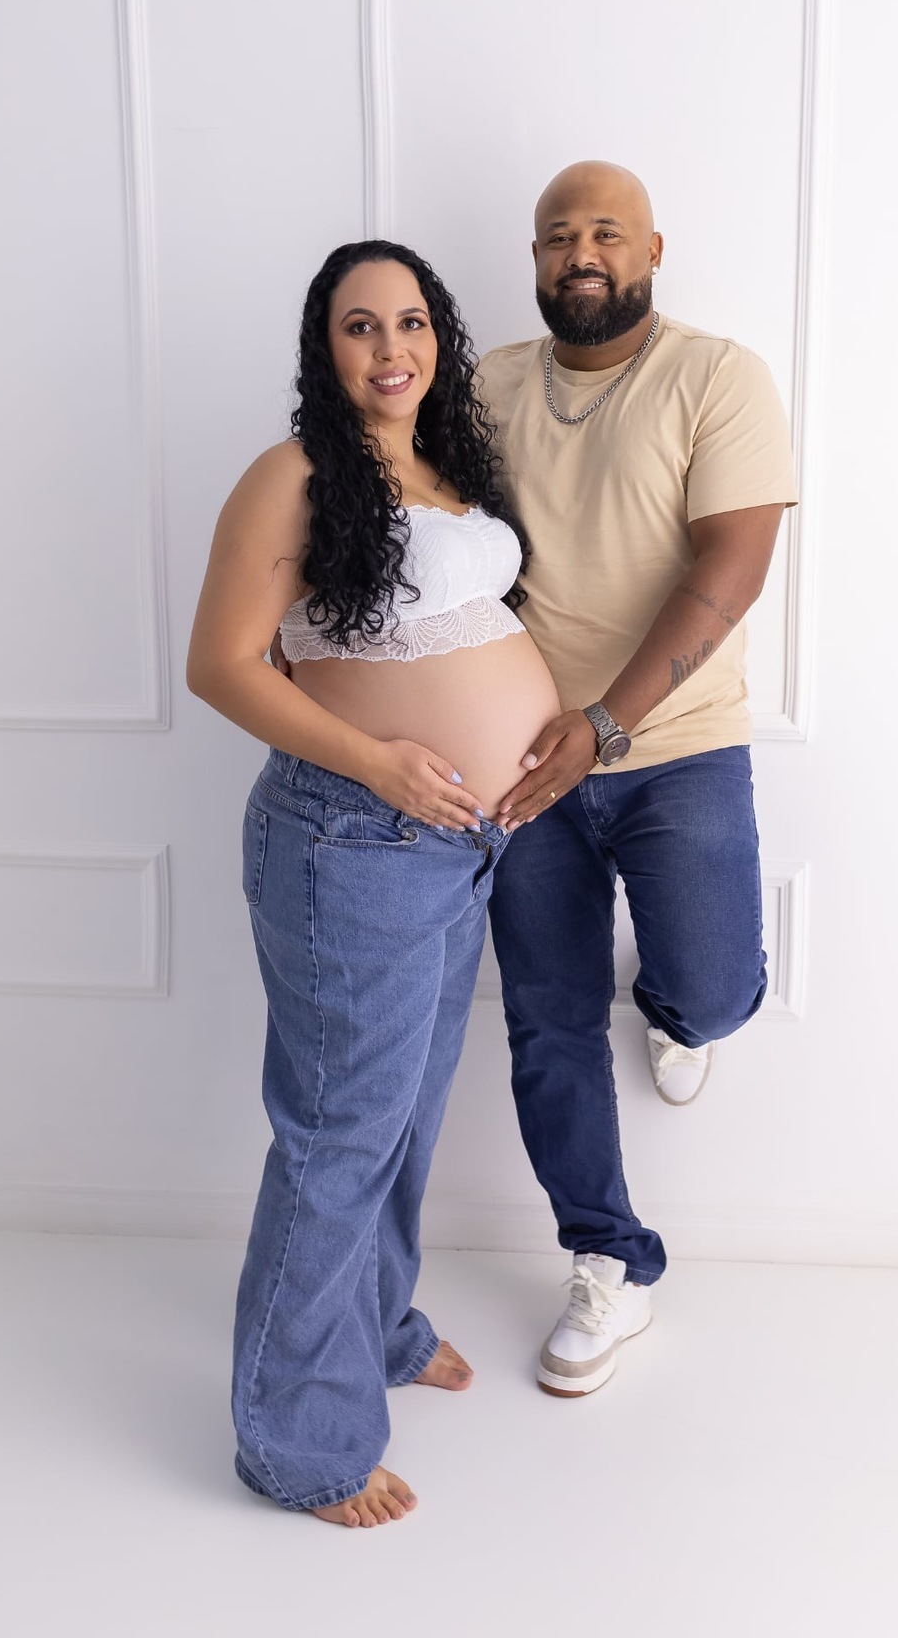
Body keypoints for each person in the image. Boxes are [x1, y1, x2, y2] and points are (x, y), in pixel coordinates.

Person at [186, 239, 559, 1526]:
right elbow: (223, 666)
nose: (390, 348)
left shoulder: (450, 470)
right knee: (338, 1139)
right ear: (323, 346)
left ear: (438, 337)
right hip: (353, 841)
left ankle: (380, 1326)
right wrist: (388, 766)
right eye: (360, 326)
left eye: (411, 321)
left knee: (399, 1121)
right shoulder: (290, 477)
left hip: (461, 847)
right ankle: (297, 1444)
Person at [478, 161, 798, 1397]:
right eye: (557, 235)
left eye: (605, 230)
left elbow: (729, 569)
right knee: (549, 1017)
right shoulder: (492, 384)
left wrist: (605, 724)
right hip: (522, 759)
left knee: (720, 991)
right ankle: (611, 1265)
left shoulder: (718, 377)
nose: (579, 251)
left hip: (674, 746)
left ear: (653, 249)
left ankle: (673, 1007)